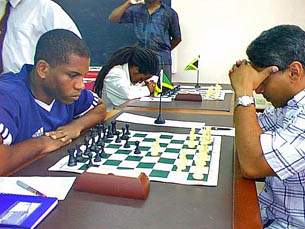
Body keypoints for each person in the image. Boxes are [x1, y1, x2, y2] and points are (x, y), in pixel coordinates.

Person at [0, 29, 107, 175]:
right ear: (43, 69)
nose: (81, 85)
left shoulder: (64, 91)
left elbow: (100, 108)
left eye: (83, 76)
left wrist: (76, 126)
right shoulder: (7, 96)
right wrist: (42, 143)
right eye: (72, 75)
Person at [229, 24, 305, 228]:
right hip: (268, 214)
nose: (258, 88)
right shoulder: (288, 106)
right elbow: (248, 136)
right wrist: (242, 91)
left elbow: (252, 164)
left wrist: (244, 91)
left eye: (263, 78)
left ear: (294, 73)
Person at [1, 0, 81, 74]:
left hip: (28, 83)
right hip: (4, 83)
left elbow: (73, 49)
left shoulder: (45, 8)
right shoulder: (3, 6)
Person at [108, 0, 181, 81]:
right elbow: (113, 18)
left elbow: (177, 38)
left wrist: (163, 50)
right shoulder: (136, 11)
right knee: (141, 89)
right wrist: (128, 3)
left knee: (163, 89)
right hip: (141, 59)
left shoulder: (169, 13)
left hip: (162, 60)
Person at [94, 46, 159, 111]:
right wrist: (148, 89)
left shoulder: (132, 74)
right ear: (136, 69)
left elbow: (153, 79)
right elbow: (127, 94)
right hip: (110, 116)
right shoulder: (115, 74)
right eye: (141, 79)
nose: (141, 82)